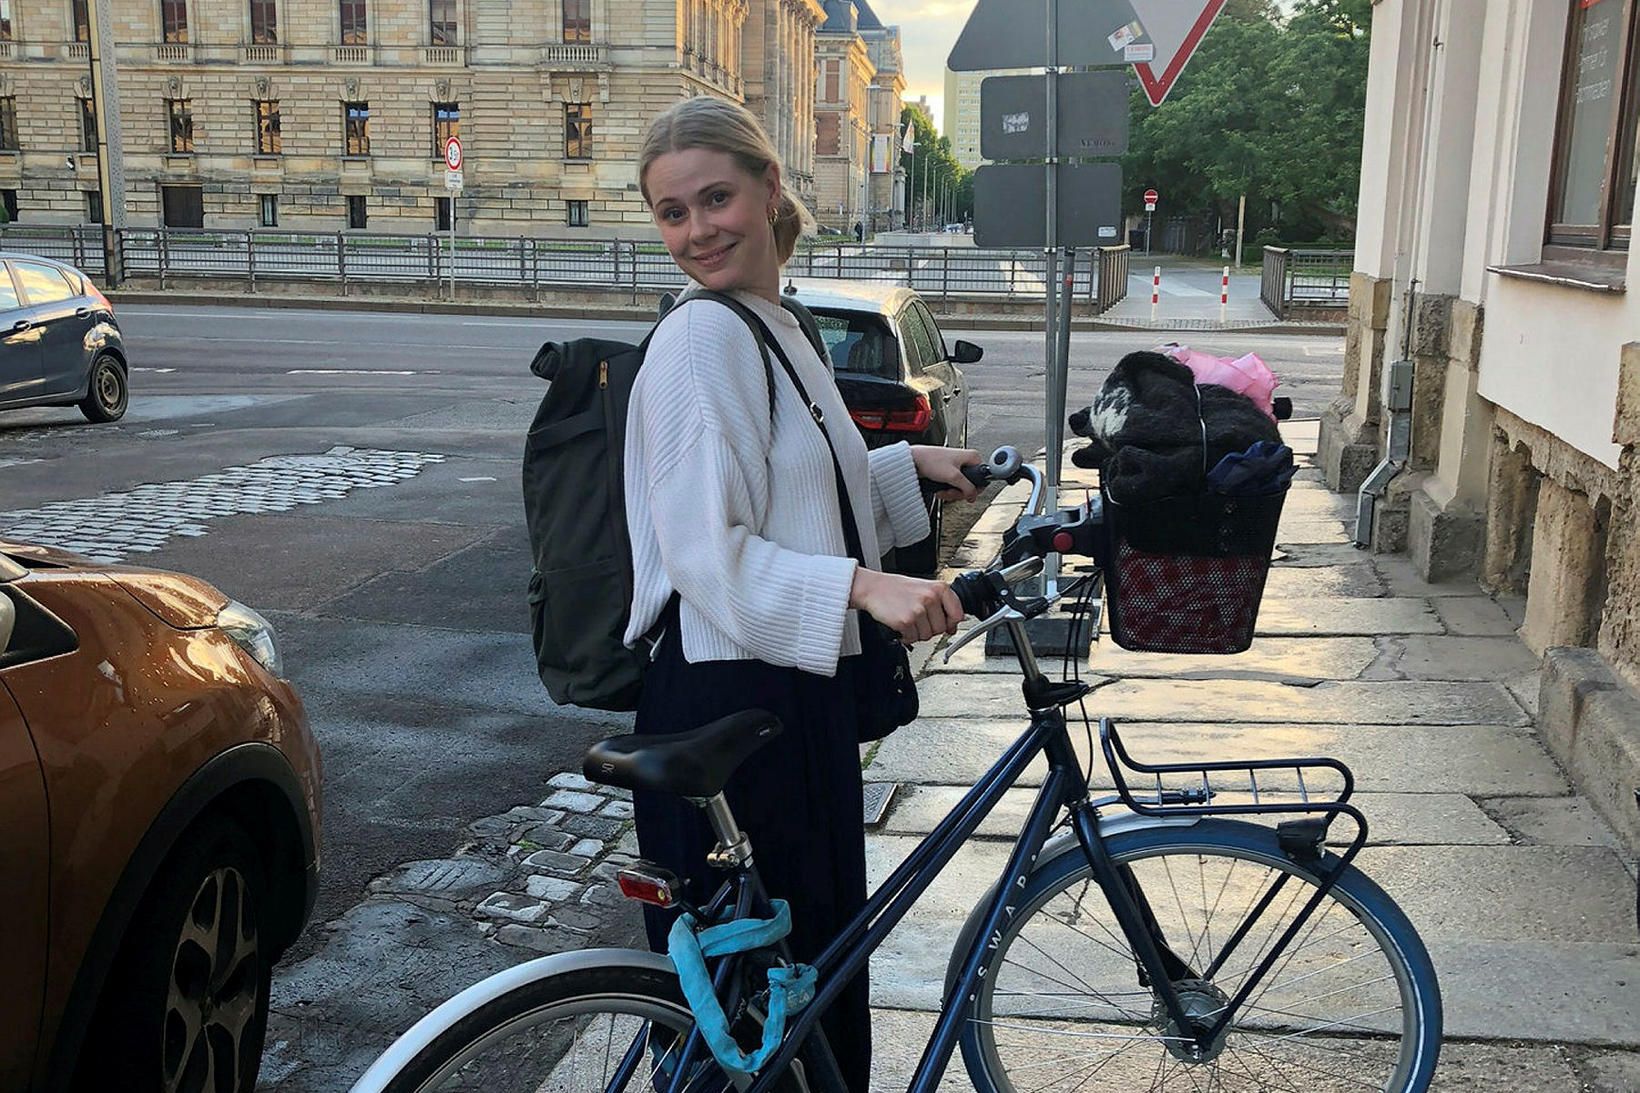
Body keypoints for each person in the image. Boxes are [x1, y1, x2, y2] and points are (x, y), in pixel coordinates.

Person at [625, 96, 981, 1090]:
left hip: (780, 690)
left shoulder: (770, 322)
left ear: (768, 187)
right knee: (758, 1008)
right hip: (731, 699)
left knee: (803, 981)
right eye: (672, 212)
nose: (698, 231)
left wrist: (906, 468)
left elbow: (796, 495)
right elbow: (707, 552)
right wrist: (867, 587)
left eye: (715, 198)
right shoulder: (703, 340)